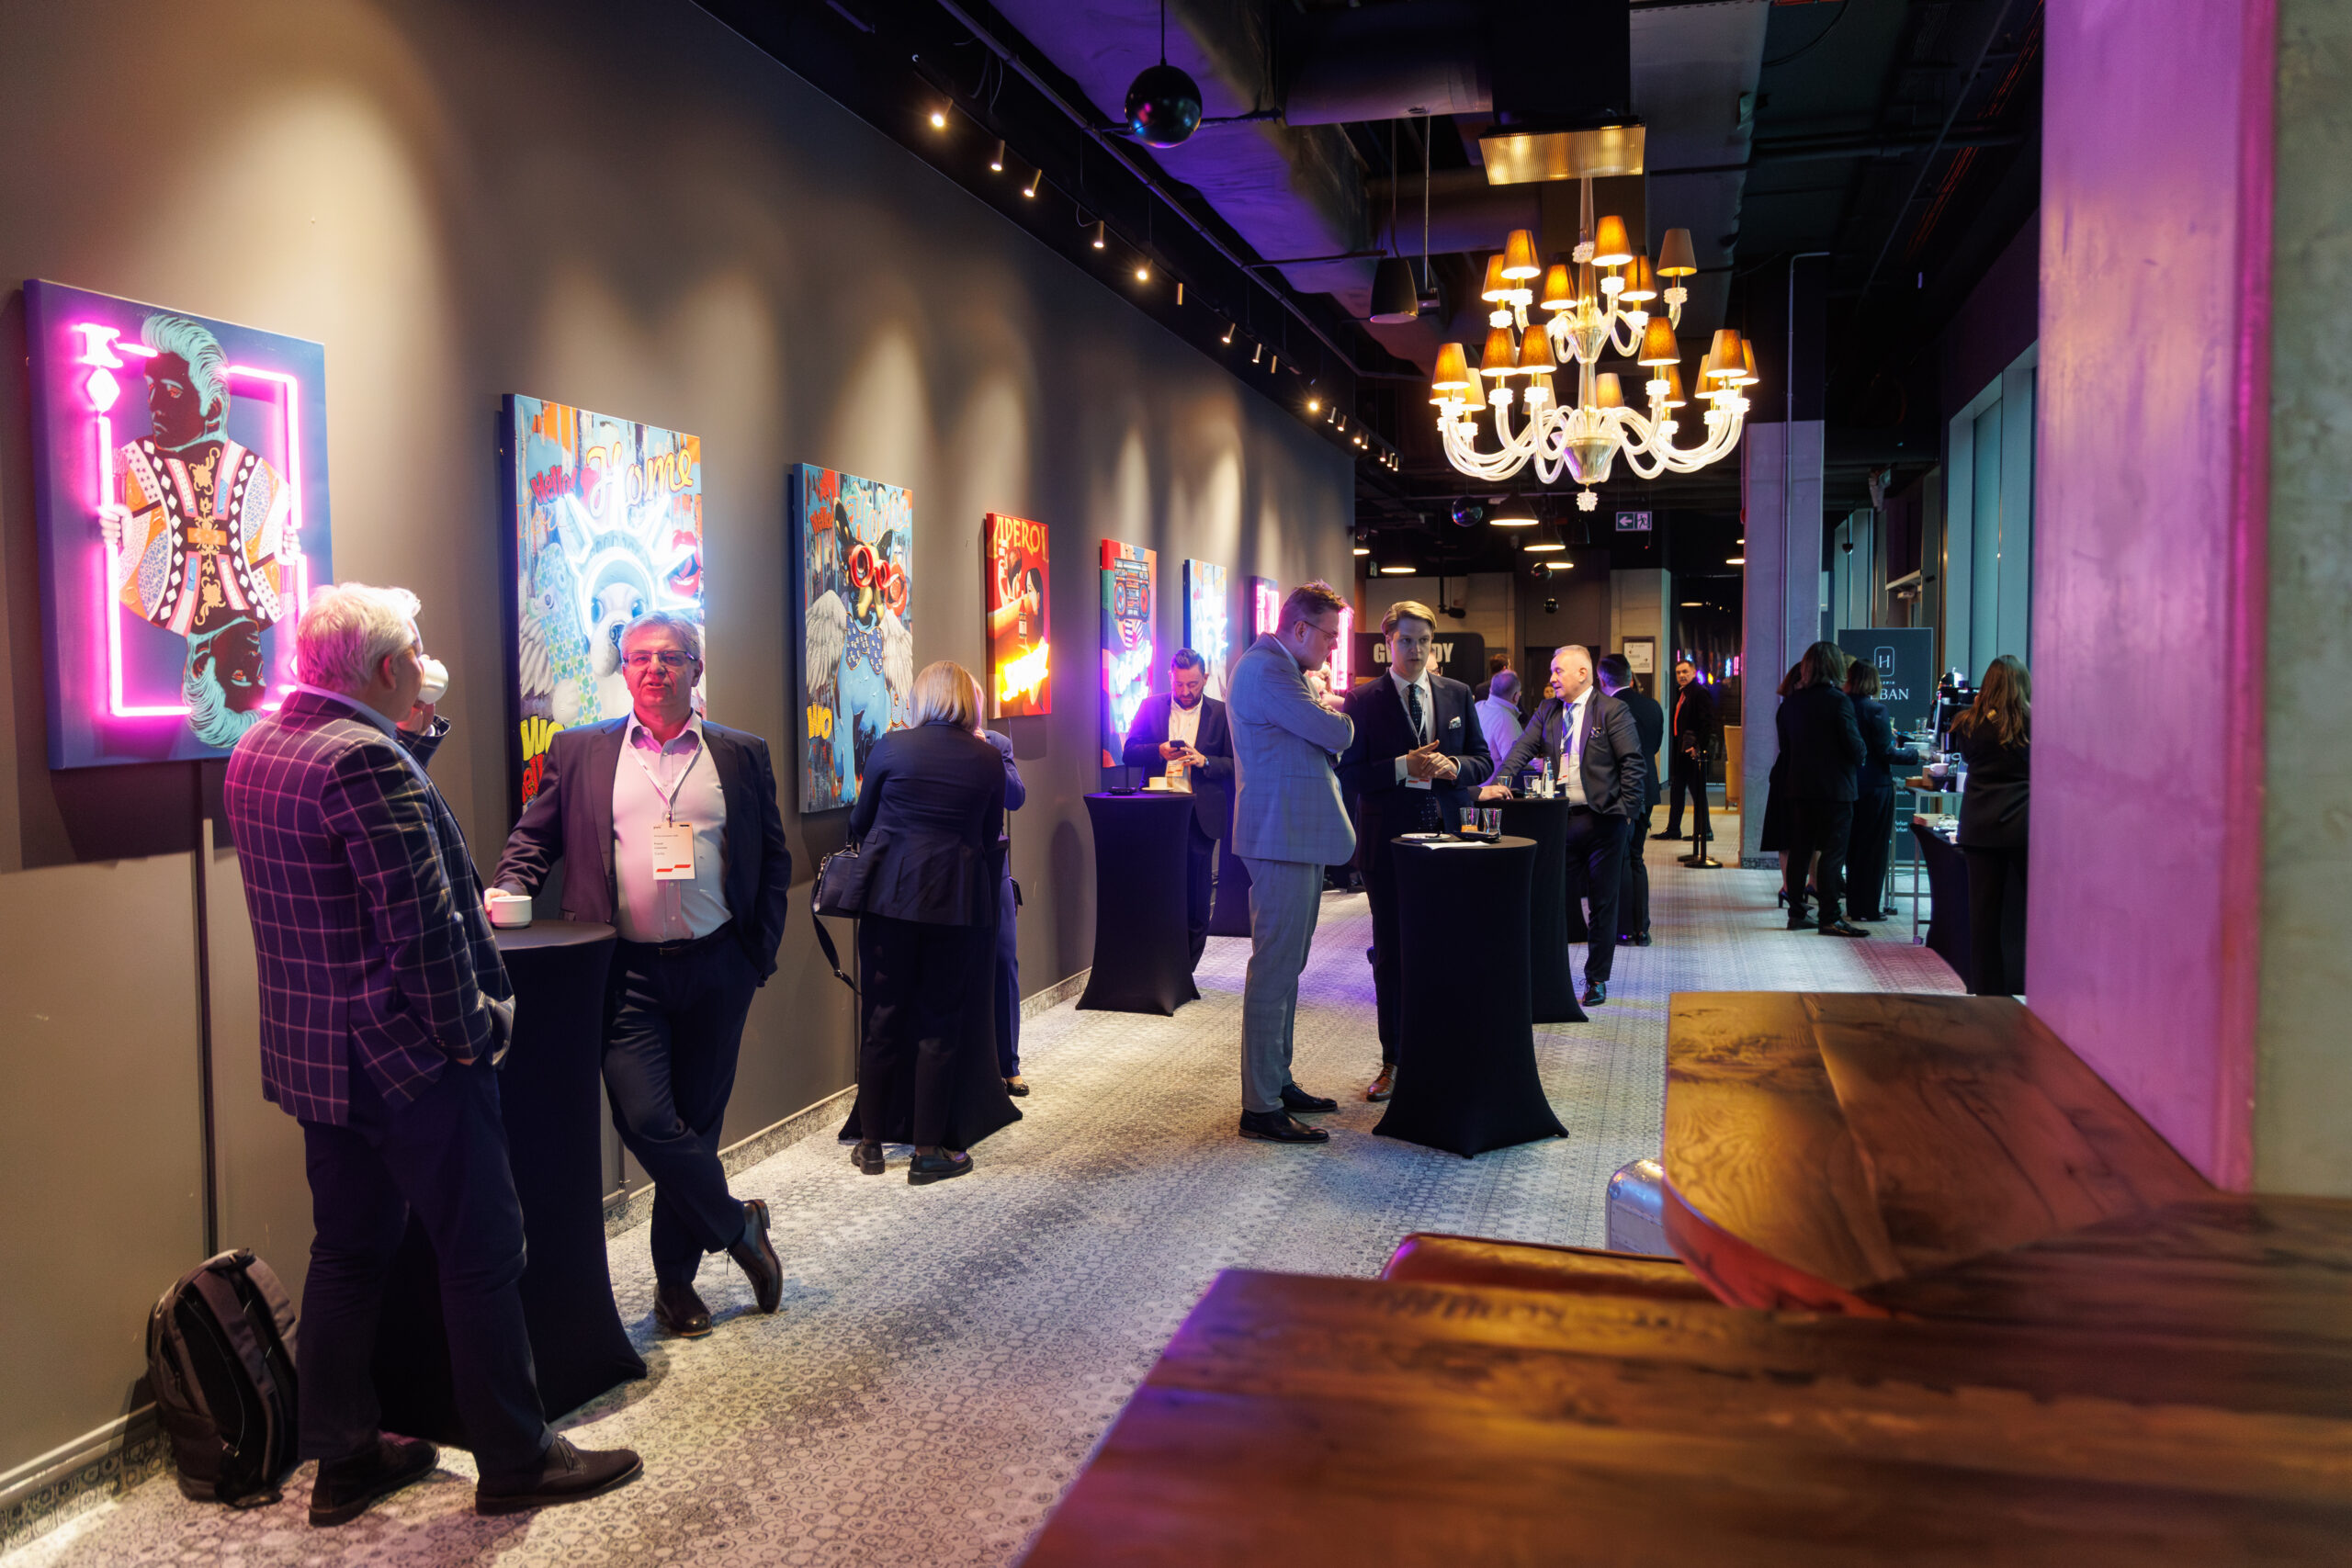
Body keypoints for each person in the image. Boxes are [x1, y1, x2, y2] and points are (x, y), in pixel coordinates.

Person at [223, 583, 639, 1525]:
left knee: (348, 1249)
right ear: (385, 666)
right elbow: (423, 931)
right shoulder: (365, 762)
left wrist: (411, 728)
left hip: (316, 1058)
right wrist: (473, 1035)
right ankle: (517, 1457)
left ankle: (342, 1457)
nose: (427, 661)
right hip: (409, 1060)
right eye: (414, 650)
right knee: (483, 1248)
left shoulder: (260, 747)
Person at [492, 610, 793, 1341]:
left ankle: (674, 1285)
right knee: (648, 1121)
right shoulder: (581, 751)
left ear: (695, 667)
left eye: (670, 656)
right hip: (624, 970)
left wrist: (756, 954)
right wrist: (509, 886)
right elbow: (535, 837)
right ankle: (739, 1225)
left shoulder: (740, 753)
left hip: (718, 965)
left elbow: (773, 856)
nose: (654, 668)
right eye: (640, 657)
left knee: (696, 1123)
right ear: (623, 670)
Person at [843, 660, 1020, 1182]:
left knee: (880, 1019)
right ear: (968, 700)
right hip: (955, 904)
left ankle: (871, 1145)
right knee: (938, 1023)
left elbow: (859, 822)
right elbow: (988, 836)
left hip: (888, 903)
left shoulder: (890, 748)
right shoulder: (988, 758)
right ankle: (926, 1151)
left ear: (921, 699)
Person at [98, 312, 298, 749]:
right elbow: (284, 541)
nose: (155, 405)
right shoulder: (275, 600)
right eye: (151, 389)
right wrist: (289, 548)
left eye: (240, 673)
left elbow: (106, 546)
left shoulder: (144, 596)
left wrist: (111, 535)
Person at [1338, 601, 1495, 1101]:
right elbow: (1350, 775)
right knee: (1392, 954)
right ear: (1389, 641)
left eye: (1424, 641)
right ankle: (1394, 1059)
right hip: (1388, 845)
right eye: (1406, 640)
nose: (1416, 650)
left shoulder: (1457, 692)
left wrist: (1456, 768)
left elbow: (1483, 760)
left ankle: (1445, 1053)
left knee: (1449, 948)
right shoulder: (1362, 699)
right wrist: (1403, 767)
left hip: (1450, 840)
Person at [1227, 581, 1355, 1144]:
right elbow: (1333, 732)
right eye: (1329, 635)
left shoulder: (1284, 669)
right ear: (1300, 628)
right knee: (1274, 970)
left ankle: (1277, 1081)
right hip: (1280, 835)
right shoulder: (1268, 670)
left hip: (1293, 834)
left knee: (1287, 969)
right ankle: (1260, 1107)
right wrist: (1336, 715)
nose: (1333, 646)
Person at [1482, 645, 1645, 1006]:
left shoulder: (1612, 710)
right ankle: (1549, 976)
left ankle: (1596, 978)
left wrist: (1626, 813)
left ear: (1583, 674)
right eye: (1552, 671)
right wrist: (1501, 782)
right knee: (1554, 898)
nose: (1551, 678)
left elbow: (1633, 764)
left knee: (1602, 902)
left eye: (1558, 671)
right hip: (1561, 820)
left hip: (1604, 821)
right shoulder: (1548, 710)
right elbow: (1521, 749)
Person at [1119, 648, 1235, 968]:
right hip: (1158, 813)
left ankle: (1187, 969)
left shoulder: (1221, 713)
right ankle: (1160, 965)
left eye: (1192, 684)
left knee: (1197, 897)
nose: (1185, 691)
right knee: (1158, 891)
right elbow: (1129, 752)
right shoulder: (1151, 706)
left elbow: (1234, 764)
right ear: (1170, 677)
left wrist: (1204, 761)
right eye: (1179, 684)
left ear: (1205, 679)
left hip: (1201, 815)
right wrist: (1158, 750)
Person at [1952, 654, 2032, 995]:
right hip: (2024, 827)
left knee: (1983, 918)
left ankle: (1987, 993)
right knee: (2036, 914)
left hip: (1979, 828)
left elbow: (1968, 758)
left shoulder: (1966, 724)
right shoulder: (2036, 723)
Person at [1778, 641, 1868, 938]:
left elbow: (1786, 748)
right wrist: (1861, 753)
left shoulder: (1791, 703)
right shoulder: (1838, 701)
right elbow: (1854, 747)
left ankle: (1796, 914)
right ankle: (1829, 918)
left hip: (1799, 788)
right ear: (1835, 666)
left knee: (1800, 851)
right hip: (1835, 790)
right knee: (1832, 854)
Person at [1844, 660, 1921, 921]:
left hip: (1849, 785)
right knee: (1874, 851)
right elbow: (1887, 753)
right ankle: (1868, 908)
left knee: (1853, 849)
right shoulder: (1876, 710)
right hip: (1875, 787)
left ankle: (1854, 905)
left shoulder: (1843, 706)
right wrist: (1917, 754)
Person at [979, 686, 1029, 1096]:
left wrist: (989, 756)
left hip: (994, 865)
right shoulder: (937, 743)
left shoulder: (997, 744)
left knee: (1003, 959)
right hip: (947, 867)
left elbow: (1016, 797)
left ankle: (1009, 1064)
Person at [1597, 655, 1662, 947]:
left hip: (1620, 792)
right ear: (1630, 676)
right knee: (1636, 857)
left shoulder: (1607, 709)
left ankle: (1624, 928)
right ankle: (1641, 929)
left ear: (1601, 679)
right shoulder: (1653, 706)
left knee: (1620, 858)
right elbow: (1655, 746)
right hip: (1647, 787)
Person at [1657, 660, 1716, 844]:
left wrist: (1698, 746)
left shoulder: (1699, 692)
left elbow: (1707, 723)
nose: (1681, 675)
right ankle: (1673, 829)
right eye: (1678, 673)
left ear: (1693, 673)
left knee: (1697, 792)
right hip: (1681, 750)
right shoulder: (1682, 693)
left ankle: (1705, 831)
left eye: (1685, 672)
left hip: (1692, 751)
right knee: (1677, 790)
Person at [1475, 668, 1526, 761]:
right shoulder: (1507, 721)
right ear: (1516, 696)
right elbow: (1516, 762)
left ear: (1491, 690)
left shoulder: (1477, 708)